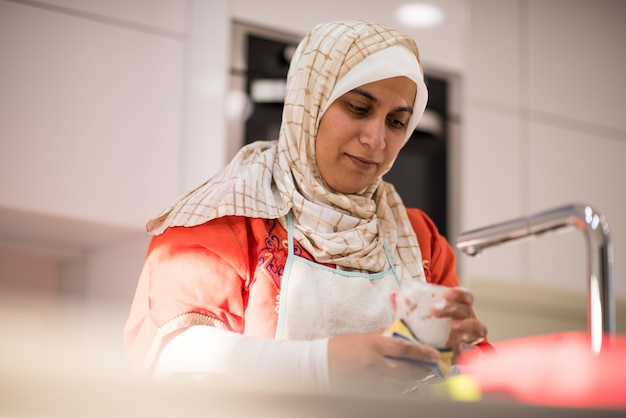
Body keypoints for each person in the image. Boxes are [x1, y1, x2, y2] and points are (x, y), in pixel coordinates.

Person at [124, 19, 490, 393]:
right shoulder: (222, 218)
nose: (376, 139)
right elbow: (174, 354)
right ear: (309, 103)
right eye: (359, 108)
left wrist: (454, 359)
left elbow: (476, 387)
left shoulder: (418, 237)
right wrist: (323, 364)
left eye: (396, 122)